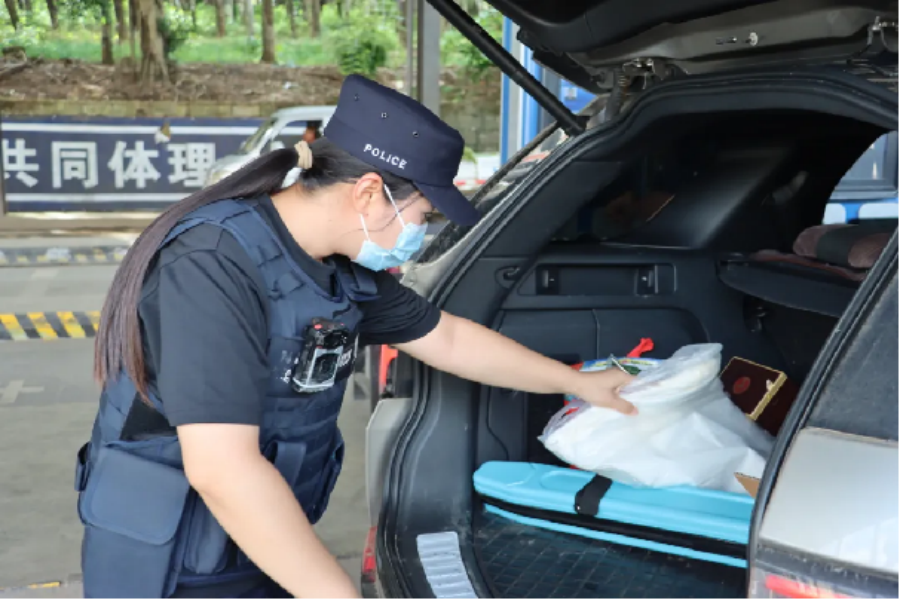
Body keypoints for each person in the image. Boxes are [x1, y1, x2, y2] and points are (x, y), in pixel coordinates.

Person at [74, 74, 636, 600]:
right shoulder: (212, 264)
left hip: (257, 542)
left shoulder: (340, 268)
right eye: (422, 214)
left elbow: (447, 339)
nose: (420, 232)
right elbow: (223, 468)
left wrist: (579, 383)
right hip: (171, 561)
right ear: (369, 193)